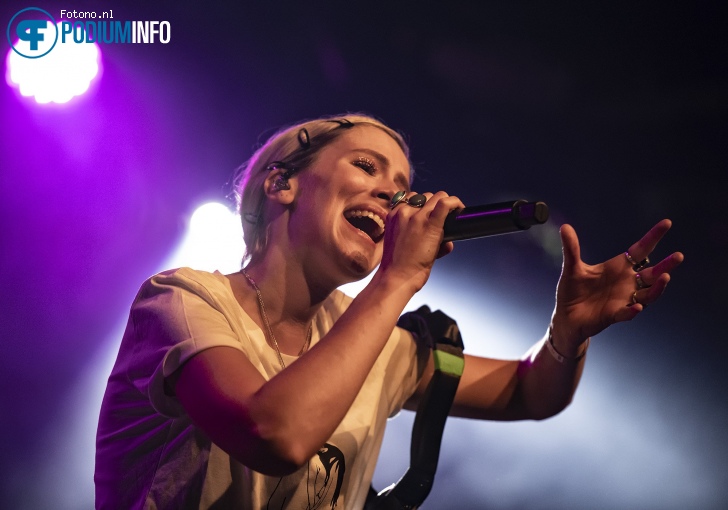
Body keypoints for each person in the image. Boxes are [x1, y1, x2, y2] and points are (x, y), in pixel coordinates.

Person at [94, 113, 683, 509]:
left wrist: (568, 335)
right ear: (282, 185)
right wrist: (399, 279)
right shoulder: (183, 300)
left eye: (402, 184)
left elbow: (531, 393)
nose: (394, 195)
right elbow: (273, 434)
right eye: (367, 167)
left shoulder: (373, 342)